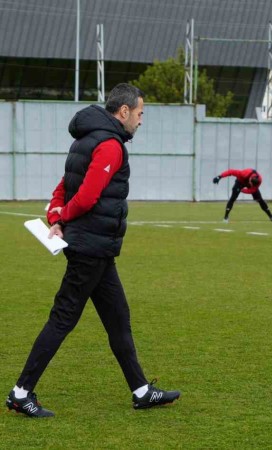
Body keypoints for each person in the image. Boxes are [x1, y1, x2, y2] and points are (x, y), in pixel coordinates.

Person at [6, 84, 179, 418]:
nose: (141, 121)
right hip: (91, 247)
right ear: (124, 112)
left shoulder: (84, 139)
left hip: (95, 248)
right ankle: (20, 392)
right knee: (63, 317)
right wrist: (62, 216)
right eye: (140, 114)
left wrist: (56, 215)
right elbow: (85, 196)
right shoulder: (110, 145)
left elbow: (62, 186)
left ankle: (141, 390)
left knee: (118, 318)